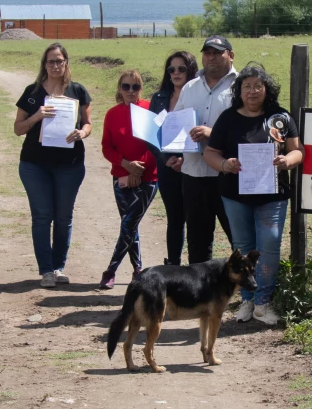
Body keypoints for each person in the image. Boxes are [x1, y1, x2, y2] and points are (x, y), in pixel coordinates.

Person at [204, 63, 303, 326]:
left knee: (268, 247)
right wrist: (225, 165)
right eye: (246, 86)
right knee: (243, 248)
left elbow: (297, 150)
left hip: (273, 196)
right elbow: (210, 153)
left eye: (258, 86)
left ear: (266, 89)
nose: (252, 91)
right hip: (235, 196)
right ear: (239, 91)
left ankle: (263, 303)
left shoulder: (280, 117)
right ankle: (247, 300)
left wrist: (287, 161)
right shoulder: (227, 118)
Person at [14, 43, 93, 288]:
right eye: (51, 61)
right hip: (34, 165)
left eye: (59, 61)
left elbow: (89, 124)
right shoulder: (32, 92)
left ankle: (59, 267)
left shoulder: (78, 91)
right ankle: (46, 270)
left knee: (63, 218)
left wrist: (82, 133)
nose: (56, 65)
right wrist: (37, 116)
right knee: (41, 217)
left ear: (66, 63)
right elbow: (18, 129)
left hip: (69, 165)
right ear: (44, 65)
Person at [171, 36, 236, 263]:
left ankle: (250, 291)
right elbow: (178, 124)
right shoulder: (189, 87)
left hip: (228, 174)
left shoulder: (241, 86)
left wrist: (213, 134)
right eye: (207, 52)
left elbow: (248, 129)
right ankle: (199, 295)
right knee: (198, 241)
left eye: (218, 52)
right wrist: (176, 153)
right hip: (194, 174)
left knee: (238, 238)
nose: (212, 57)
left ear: (230, 55)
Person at [99, 70, 159, 289]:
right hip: (121, 176)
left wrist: (138, 170)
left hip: (148, 176)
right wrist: (126, 165)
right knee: (129, 225)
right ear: (119, 89)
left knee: (128, 224)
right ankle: (138, 270)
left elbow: (158, 144)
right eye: (126, 86)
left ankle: (111, 270)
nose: (130, 91)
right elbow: (107, 147)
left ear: (140, 88)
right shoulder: (112, 114)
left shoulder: (150, 109)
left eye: (135, 87)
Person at [149, 50, 199, 266]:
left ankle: (197, 266)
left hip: (194, 166)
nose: (176, 73)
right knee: (174, 219)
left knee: (196, 220)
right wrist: (165, 159)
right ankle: (173, 266)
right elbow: (151, 135)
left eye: (181, 68)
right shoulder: (159, 98)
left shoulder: (199, 96)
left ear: (190, 70)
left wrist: (184, 160)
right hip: (167, 166)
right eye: (172, 69)